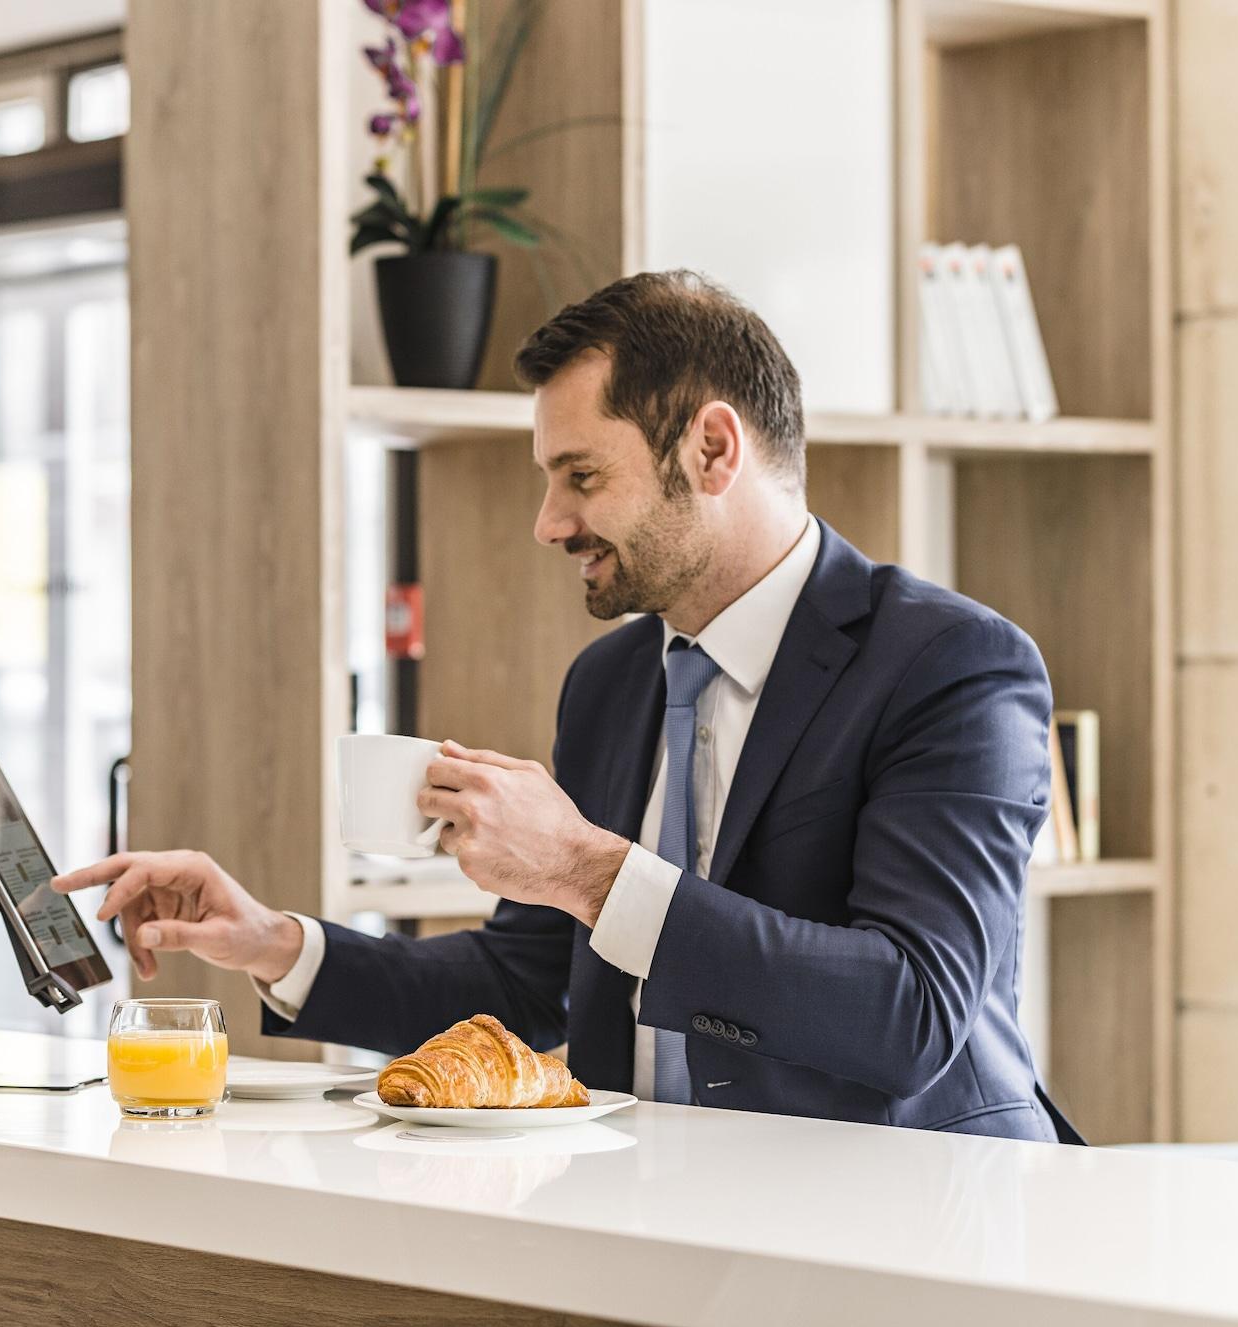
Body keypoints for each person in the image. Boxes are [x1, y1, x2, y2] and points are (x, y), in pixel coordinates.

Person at [55, 271, 1080, 1142]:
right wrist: (274, 943)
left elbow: (911, 1013)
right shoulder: (611, 681)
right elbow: (526, 980)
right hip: (637, 1208)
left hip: (912, 1224)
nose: (548, 524)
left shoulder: (951, 666)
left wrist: (587, 871)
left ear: (713, 451)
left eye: (580, 475)